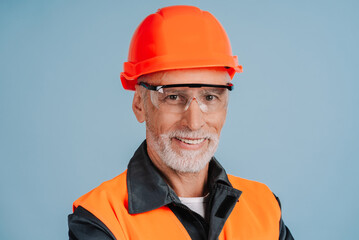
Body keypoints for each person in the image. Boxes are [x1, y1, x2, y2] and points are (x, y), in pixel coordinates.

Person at [68, 5, 294, 240]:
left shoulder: (265, 207)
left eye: (210, 97)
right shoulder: (101, 217)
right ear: (139, 104)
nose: (194, 123)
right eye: (173, 97)